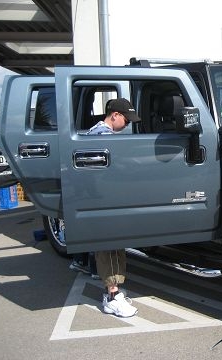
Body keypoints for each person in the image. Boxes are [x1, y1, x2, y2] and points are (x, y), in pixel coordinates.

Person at [87, 98, 141, 317]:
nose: (127, 125)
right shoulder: (103, 136)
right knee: (110, 247)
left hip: (100, 198)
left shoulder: (94, 132)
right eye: (126, 120)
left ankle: (113, 293)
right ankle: (112, 297)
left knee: (112, 246)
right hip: (104, 199)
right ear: (115, 115)